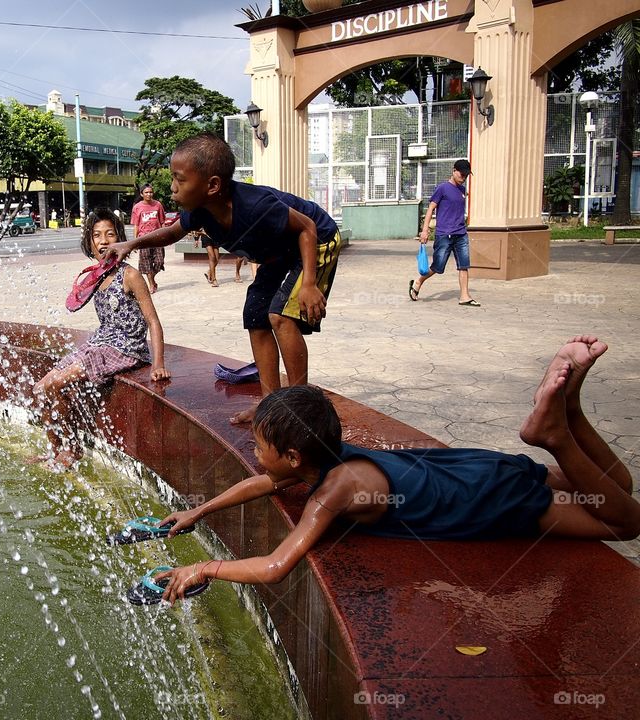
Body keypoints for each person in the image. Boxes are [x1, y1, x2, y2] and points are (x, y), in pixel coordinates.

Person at [154, 336, 640, 604]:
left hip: (490, 501)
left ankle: (553, 435)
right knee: (615, 486)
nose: (256, 453)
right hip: (476, 468)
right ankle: (569, 410)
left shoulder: (331, 494)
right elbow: (265, 482)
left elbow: (277, 566)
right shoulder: (324, 454)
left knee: (625, 521)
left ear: (293, 456)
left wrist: (207, 567)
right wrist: (201, 511)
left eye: (260, 445)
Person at [107, 133, 342, 425]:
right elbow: (172, 232)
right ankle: (269, 403)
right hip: (277, 254)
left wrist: (308, 284)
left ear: (212, 185)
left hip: (315, 239)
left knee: (280, 316)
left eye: (180, 179)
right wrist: (130, 244)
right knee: (255, 316)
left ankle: (300, 408)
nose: (172, 187)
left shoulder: (256, 206)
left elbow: (306, 227)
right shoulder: (201, 211)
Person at [32, 207, 171, 470]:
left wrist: (159, 362)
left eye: (110, 234)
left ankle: (72, 448)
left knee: (56, 384)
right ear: (89, 242)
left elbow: (153, 320)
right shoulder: (96, 275)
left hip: (125, 348)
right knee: (40, 389)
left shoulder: (129, 275)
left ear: (121, 238)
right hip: (99, 343)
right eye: (97, 235)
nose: (103, 240)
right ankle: (53, 450)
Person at [410, 159, 479, 306]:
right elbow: (430, 209)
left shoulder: (462, 190)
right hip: (444, 235)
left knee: (463, 265)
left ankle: (465, 296)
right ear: (454, 171)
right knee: (437, 266)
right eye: (461, 174)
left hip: (461, 234)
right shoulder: (442, 188)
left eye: (466, 175)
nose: (464, 177)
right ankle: (418, 281)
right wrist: (425, 230)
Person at [130, 184, 166, 294]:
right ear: (141, 194)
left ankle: (152, 279)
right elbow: (136, 225)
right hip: (144, 239)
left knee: (159, 261)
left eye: (150, 192)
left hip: (157, 238)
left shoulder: (158, 205)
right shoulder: (137, 207)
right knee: (147, 263)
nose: (149, 194)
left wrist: (165, 236)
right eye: (146, 192)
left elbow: (162, 222)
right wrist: (135, 242)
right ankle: (151, 284)